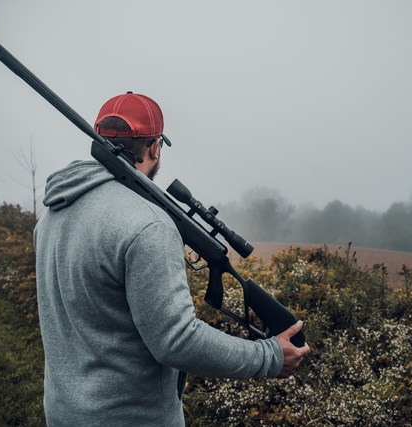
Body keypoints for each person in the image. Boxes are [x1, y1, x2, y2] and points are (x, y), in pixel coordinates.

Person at [33, 92, 310, 426]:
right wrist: (270, 356)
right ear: (154, 148)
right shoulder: (148, 224)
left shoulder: (49, 217)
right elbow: (177, 341)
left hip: (64, 414)